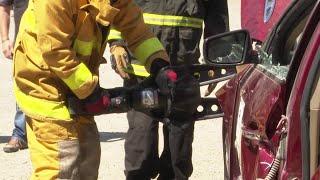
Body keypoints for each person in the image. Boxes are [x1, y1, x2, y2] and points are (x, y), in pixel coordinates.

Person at [13, 0, 175, 179]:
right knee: (62, 164)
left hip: (77, 84)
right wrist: (90, 92)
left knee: (87, 159)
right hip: (45, 88)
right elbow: (56, 51)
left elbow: (137, 31)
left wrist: (159, 64)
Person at [108, 0, 229, 179]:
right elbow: (117, 5)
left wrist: (216, 60)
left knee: (178, 156)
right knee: (141, 150)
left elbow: (217, 16)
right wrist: (116, 43)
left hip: (182, 73)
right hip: (142, 74)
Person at [0, 0, 28, 153]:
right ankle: (20, 134)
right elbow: (4, 6)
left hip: (56, 43)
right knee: (22, 87)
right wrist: (5, 40)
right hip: (23, 44)